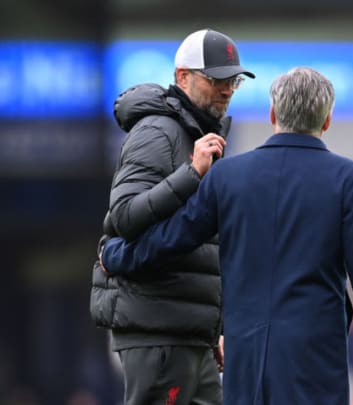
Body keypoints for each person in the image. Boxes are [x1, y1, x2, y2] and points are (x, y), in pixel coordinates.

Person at [99, 67, 353, 405]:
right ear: (327, 121)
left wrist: (117, 255)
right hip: (314, 363)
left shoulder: (228, 176)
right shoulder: (347, 179)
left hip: (245, 362)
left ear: (273, 114)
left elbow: (172, 239)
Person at [90, 28, 255, 405]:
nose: (227, 89)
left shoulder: (199, 134)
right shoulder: (156, 131)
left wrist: (217, 328)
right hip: (159, 330)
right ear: (183, 77)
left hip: (191, 333)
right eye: (216, 79)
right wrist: (191, 173)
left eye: (232, 81)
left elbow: (209, 245)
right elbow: (125, 217)